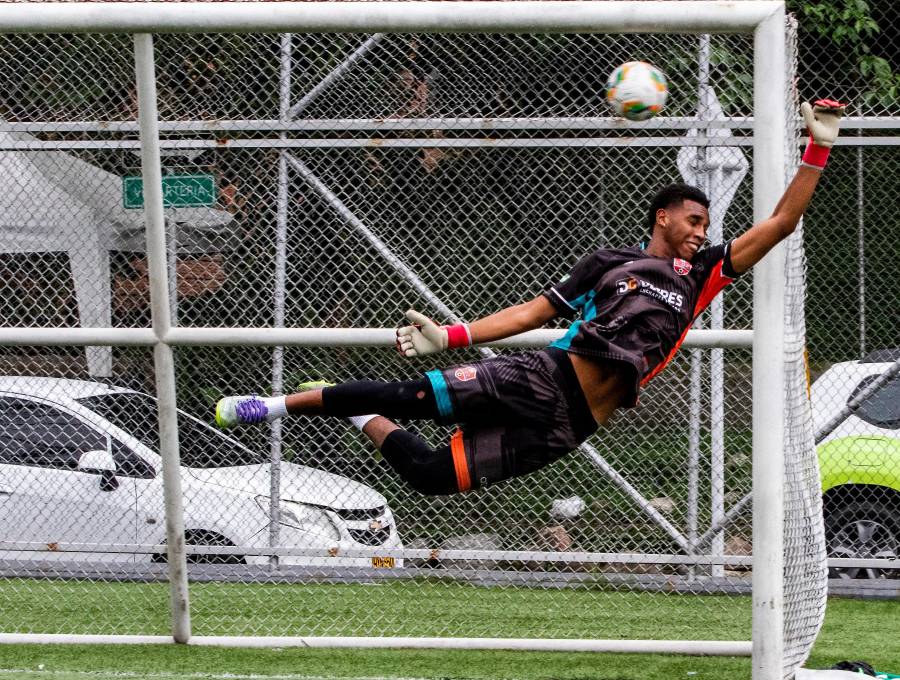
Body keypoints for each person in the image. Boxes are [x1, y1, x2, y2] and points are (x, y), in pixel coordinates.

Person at [215, 99, 844, 496]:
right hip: (543, 375)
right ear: (662, 217)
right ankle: (272, 406)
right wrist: (454, 335)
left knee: (431, 475)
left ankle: (353, 414)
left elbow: (781, 223)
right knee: (405, 396)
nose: (702, 231)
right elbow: (533, 314)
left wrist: (818, 147)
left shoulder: (701, 273)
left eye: (706, 224)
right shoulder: (609, 263)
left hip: (573, 424)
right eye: (693, 220)